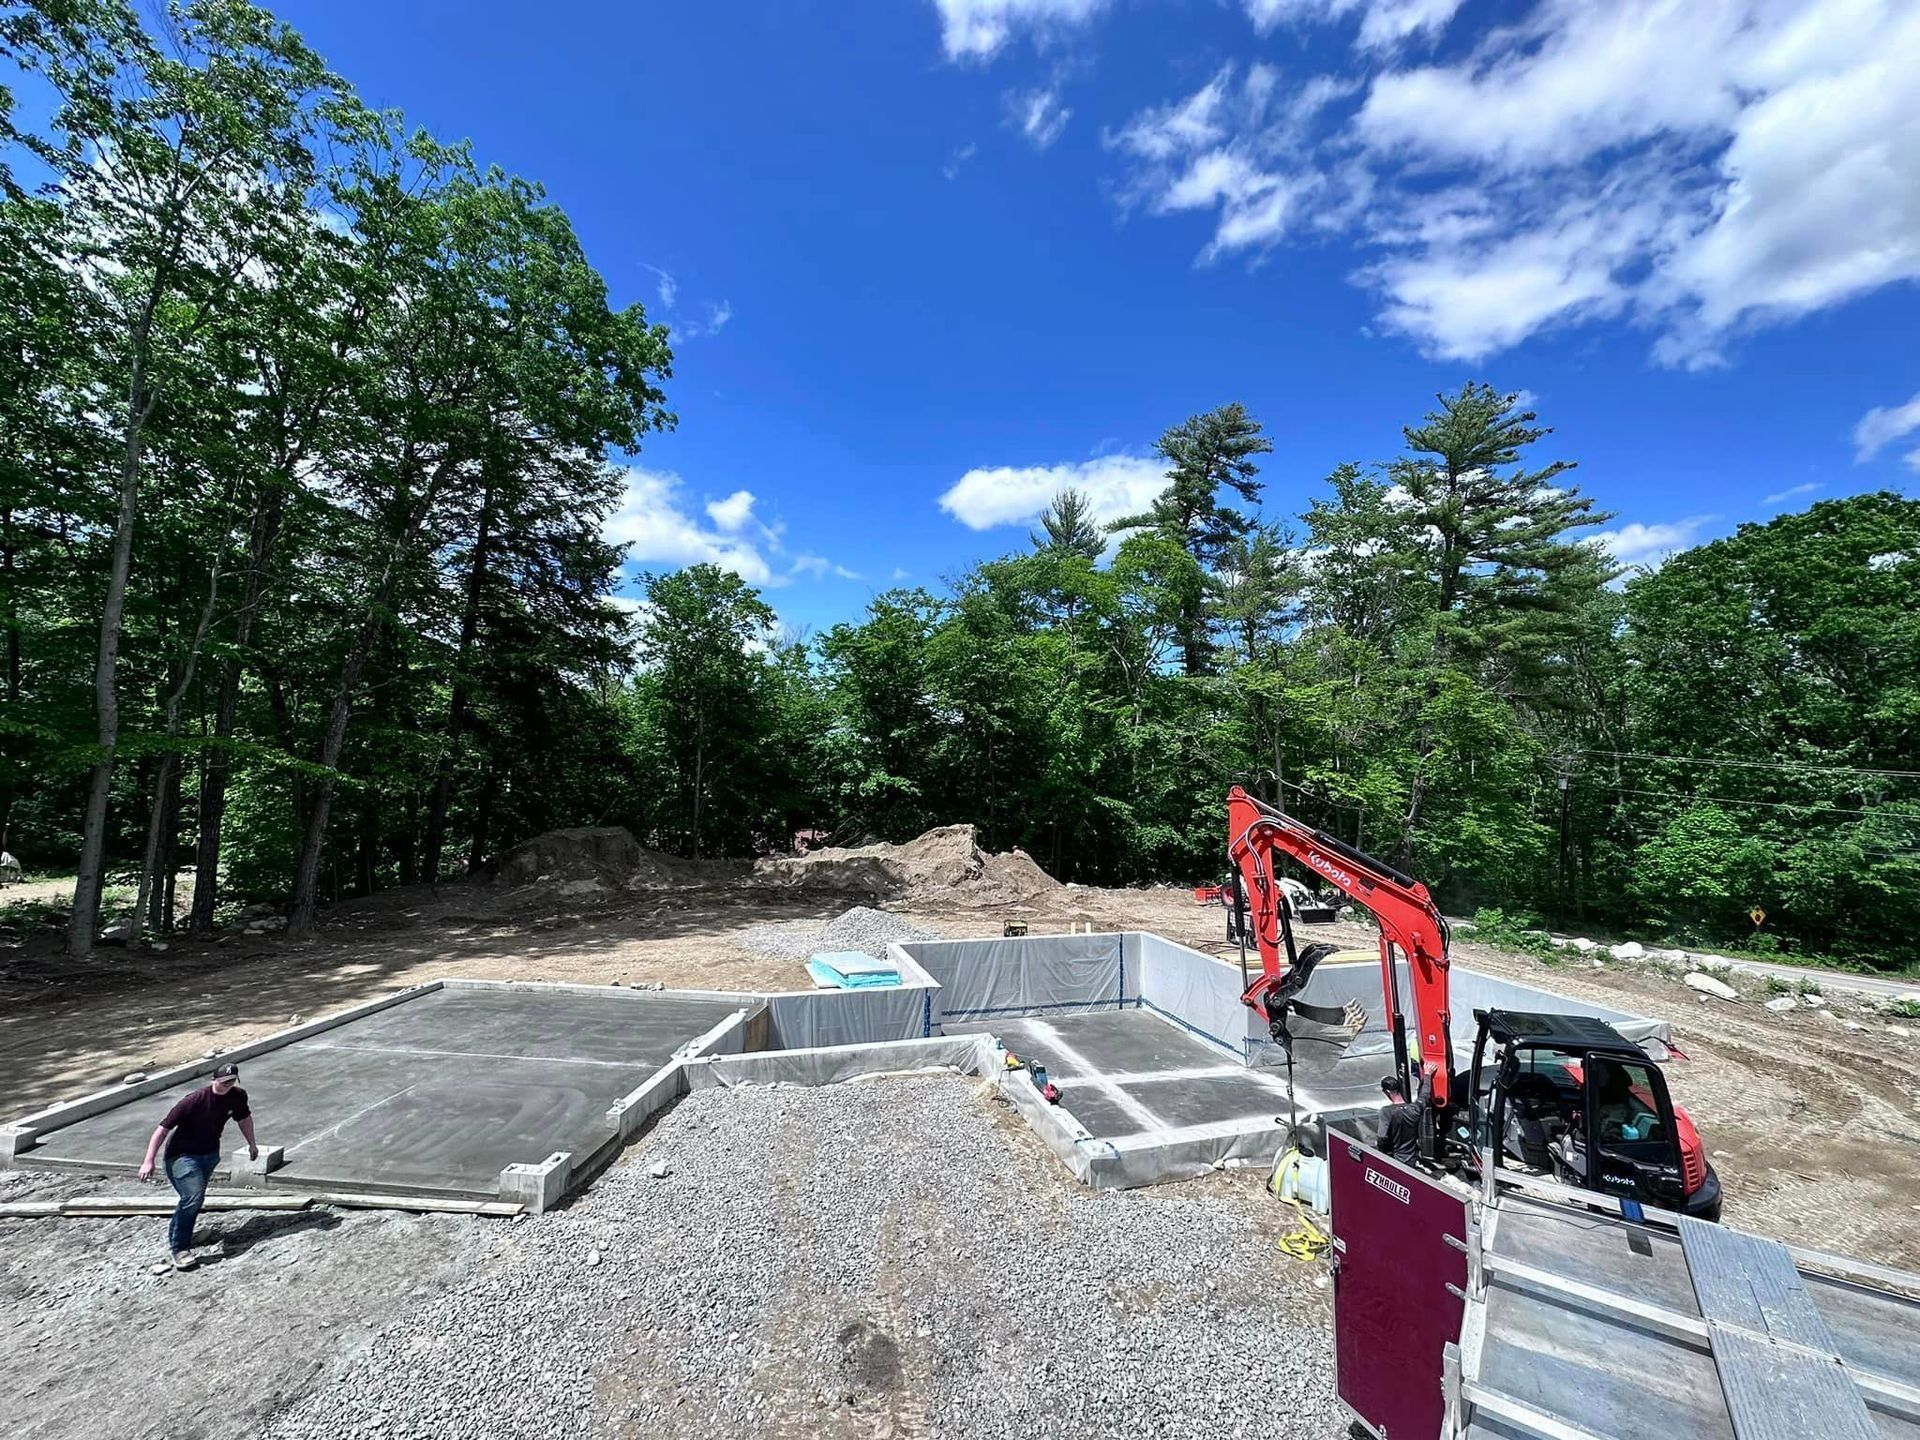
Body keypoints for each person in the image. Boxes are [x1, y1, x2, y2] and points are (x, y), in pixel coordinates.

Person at [137, 1063, 259, 1270]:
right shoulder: (194, 1100)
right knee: (193, 1198)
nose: (227, 1085)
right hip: (181, 1156)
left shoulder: (237, 1096)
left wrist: (252, 1144)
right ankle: (179, 1248)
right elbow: (162, 1130)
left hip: (209, 1155)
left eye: (231, 1082)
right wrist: (149, 1160)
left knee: (192, 1200)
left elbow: (244, 1118)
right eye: (223, 1082)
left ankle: (183, 1233)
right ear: (214, 1080)